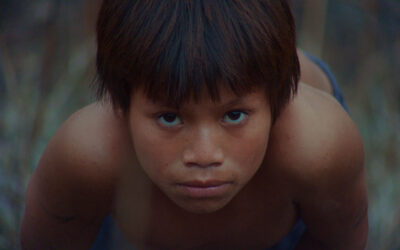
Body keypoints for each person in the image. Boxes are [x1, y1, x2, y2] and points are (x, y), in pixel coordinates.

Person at [21, 0, 368, 249]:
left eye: (234, 116)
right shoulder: (86, 158)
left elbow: (339, 239)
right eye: (169, 118)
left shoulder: (317, 147)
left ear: (278, 105)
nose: (204, 155)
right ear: (121, 105)